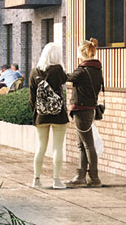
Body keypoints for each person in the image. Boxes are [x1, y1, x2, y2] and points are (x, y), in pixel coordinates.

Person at [29, 44, 69, 190]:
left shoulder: (34, 71)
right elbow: (64, 80)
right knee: (57, 147)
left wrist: (37, 113)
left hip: (41, 115)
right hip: (58, 114)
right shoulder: (58, 70)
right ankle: (56, 180)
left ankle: (36, 179)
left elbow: (31, 98)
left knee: (40, 147)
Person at [66, 38, 104, 188]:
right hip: (89, 109)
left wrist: (52, 70)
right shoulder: (96, 69)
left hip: (81, 109)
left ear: (82, 52)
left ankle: (94, 178)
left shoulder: (82, 70)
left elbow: (66, 78)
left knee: (87, 145)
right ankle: (81, 175)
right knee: (83, 144)